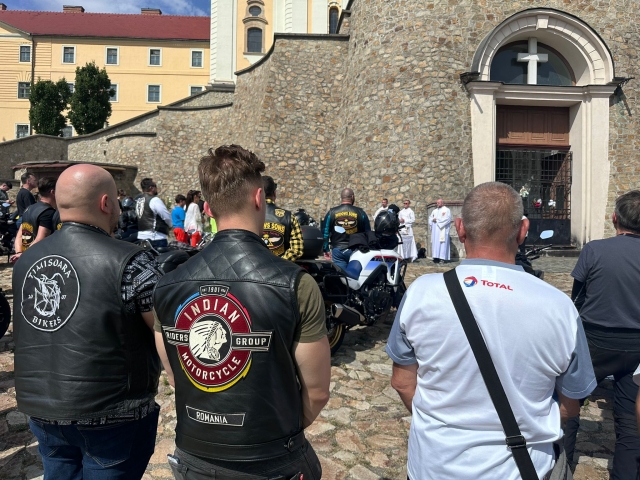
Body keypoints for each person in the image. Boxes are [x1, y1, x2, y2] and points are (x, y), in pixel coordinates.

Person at [387, 181, 596, 480]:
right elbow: (570, 406)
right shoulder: (560, 308)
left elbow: (402, 382)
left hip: (433, 466)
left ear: (460, 228)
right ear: (523, 230)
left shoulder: (421, 293)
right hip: (524, 468)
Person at [153, 144, 330, 479]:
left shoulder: (167, 284)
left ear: (207, 209)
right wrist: (274, 432)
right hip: (272, 459)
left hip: (195, 456)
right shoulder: (295, 284)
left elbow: (176, 375)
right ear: (260, 198)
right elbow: (317, 392)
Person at [12, 164, 163, 479]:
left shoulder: (25, 261)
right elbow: (164, 331)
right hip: (113, 413)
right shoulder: (133, 261)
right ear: (106, 203)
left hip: (43, 409)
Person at [564, 190, 640, 477]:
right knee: (630, 423)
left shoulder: (594, 249)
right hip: (637, 346)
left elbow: (577, 298)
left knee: (570, 404)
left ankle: (562, 467)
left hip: (594, 342)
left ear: (614, 218)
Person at [322, 188, 371, 271]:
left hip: (338, 250)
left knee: (341, 276)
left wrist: (325, 249)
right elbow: (368, 233)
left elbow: (325, 233)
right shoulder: (361, 213)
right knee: (355, 276)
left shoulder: (331, 213)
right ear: (352, 197)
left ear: (341, 197)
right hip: (356, 250)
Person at [11, 176, 57, 263]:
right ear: (53, 192)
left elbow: (19, 235)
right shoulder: (48, 212)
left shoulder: (28, 209)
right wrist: (23, 255)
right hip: (39, 260)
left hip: (27, 258)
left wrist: (19, 253)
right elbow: (41, 239)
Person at [262, 175, 304, 261]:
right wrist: (280, 263)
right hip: (281, 267)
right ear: (274, 193)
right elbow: (297, 250)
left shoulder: (247, 217)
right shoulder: (289, 217)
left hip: (255, 267)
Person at [135, 177, 172, 248]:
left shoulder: (138, 201)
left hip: (141, 236)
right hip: (155, 237)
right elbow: (166, 216)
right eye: (155, 186)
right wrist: (170, 225)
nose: (156, 188)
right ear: (151, 188)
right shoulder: (154, 200)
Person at [430, 198, 451, 263]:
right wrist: (432, 220)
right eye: (437, 203)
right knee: (435, 243)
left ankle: (442, 258)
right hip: (435, 230)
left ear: (442, 203)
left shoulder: (446, 210)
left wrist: (437, 220)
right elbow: (430, 218)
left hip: (442, 229)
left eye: (439, 202)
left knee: (442, 243)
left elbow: (448, 219)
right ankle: (436, 257)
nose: (437, 204)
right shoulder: (434, 211)